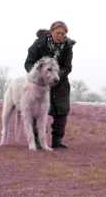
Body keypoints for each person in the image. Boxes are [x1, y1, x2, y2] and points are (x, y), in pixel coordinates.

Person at [25, 21, 76, 149]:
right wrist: (37, 74)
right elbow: (29, 62)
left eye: (63, 34)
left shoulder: (67, 47)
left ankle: (57, 141)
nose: (60, 35)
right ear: (51, 32)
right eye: (58, 33)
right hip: (38, 84)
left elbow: (68, 67)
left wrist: (57, 75)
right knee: (37, 112)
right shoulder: (39, 44)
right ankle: (37, 141)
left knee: (62, 111)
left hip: (60, 82)